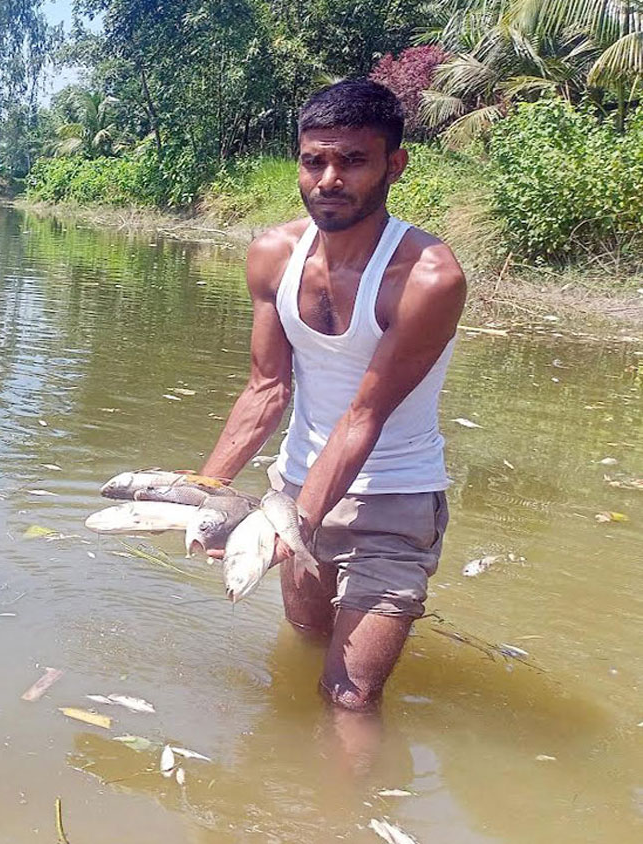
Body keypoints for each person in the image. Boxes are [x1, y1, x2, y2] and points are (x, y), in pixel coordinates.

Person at [199, 80, 466, 712]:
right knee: (304, 642)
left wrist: (290, 527)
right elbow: (266, 389)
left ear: (393, 165)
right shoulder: (272, 255)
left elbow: (363, 414)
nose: (329, 178)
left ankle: (352, 812)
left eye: (352, 161)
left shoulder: (429, 276)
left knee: (349, 695)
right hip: (296, 484)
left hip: (394, 503)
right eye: (314, 160)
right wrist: (203, 494)